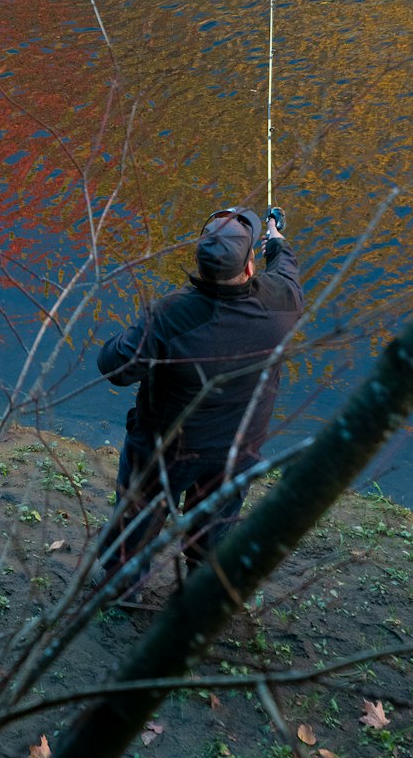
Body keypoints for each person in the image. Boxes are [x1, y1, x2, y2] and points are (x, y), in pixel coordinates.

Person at [96, 205, 304, 587]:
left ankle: (122, 585)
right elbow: (287, 272)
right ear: (249, 267)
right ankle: (198, 587)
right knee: (216, 522)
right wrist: (277, 239)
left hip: (164, 448)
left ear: (199, 262)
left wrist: (135, 331)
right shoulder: (282, 304)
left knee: (139, 514)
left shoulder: (170, 315)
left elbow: (114, 367)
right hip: (237, 448)